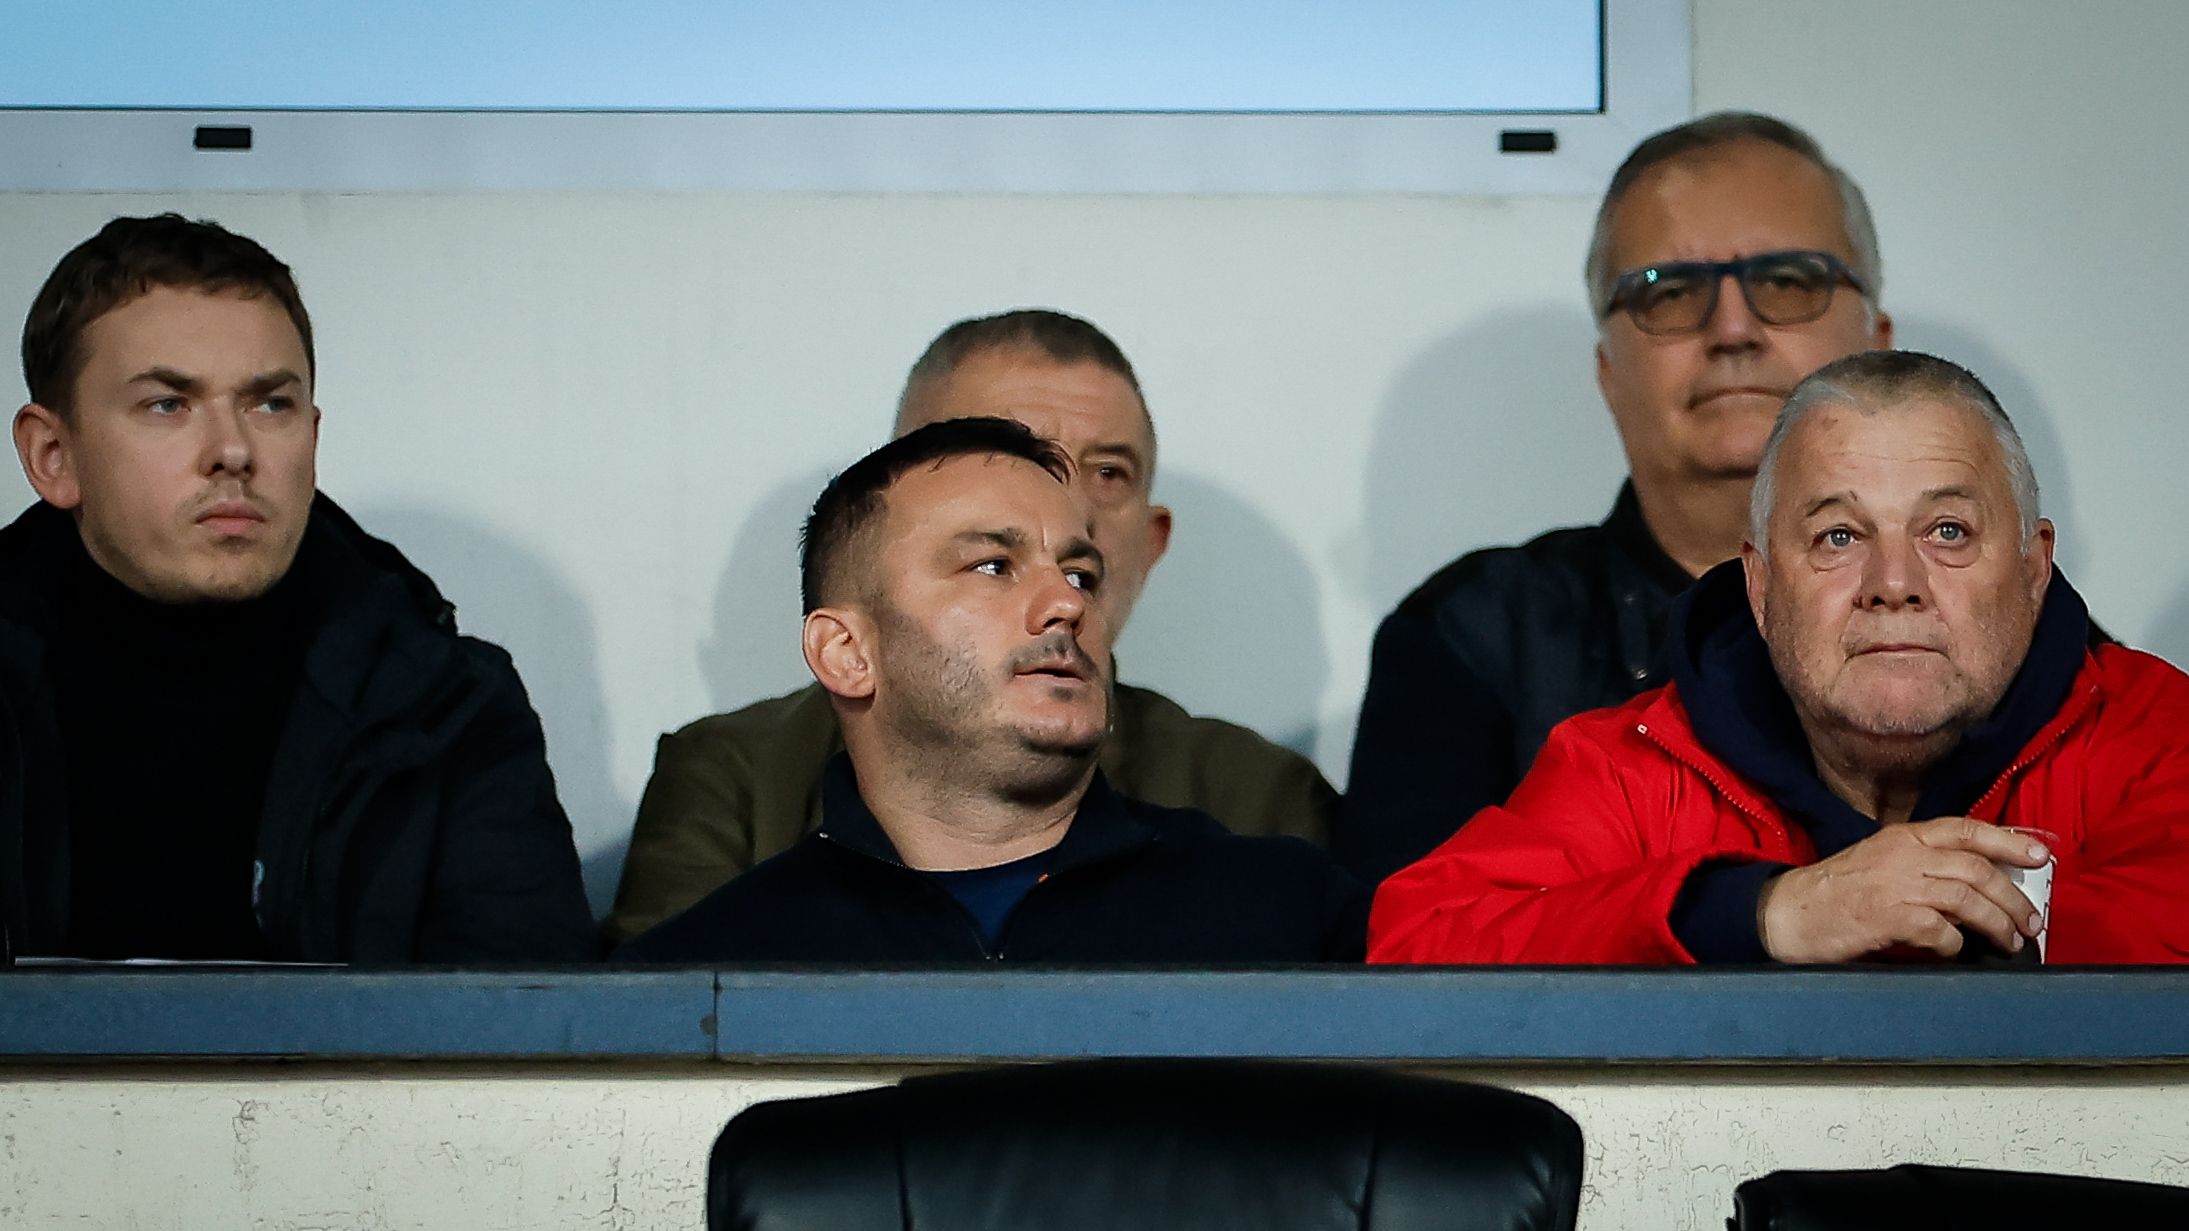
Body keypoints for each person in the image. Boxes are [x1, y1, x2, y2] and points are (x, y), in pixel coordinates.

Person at [1369, 350, 2189, 966]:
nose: (1893, 584)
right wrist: (1765, 914)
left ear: (2032, 568)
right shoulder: (1626, 767)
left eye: (1947, 531)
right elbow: (1416, 944)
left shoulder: (2158, 734)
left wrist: (1904, 915)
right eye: (1837, 536)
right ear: (1759, 587)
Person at [605, 310, 1337, 944]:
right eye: (1003, 451)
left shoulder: (1266, 826)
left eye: (1108, 472)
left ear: (1150, 543)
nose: (1064, 502)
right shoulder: (736, 792)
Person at [1, 214, 595, 964]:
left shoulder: (448, 706)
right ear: (53, 455)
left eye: (270, 404)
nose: (233, 450)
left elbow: (524, 1018)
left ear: (312, 437)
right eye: (168, 404)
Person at [1341, 112, 1895, 885]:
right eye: (1668, 292)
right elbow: (1413, 941)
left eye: (1786, 281)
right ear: (1607, 371)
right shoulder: (1473, 638)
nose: (1732, 328)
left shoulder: (1999, 616)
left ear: (1876, 343)